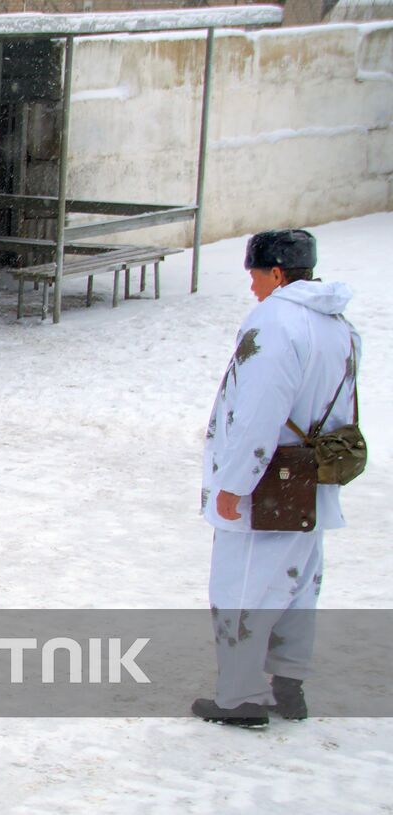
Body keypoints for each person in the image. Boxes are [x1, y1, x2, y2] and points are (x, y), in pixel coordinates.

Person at [193, 229, 360, 728]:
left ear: (278, 273)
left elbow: (259, 407)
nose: (252, 287)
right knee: (298, 586)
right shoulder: (338, 324)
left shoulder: (275, 322)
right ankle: (289, 685)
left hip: (269, 481)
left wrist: (235, 482)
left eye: (255, 275)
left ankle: (240, 698)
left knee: (242, 587)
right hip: (311, 477)